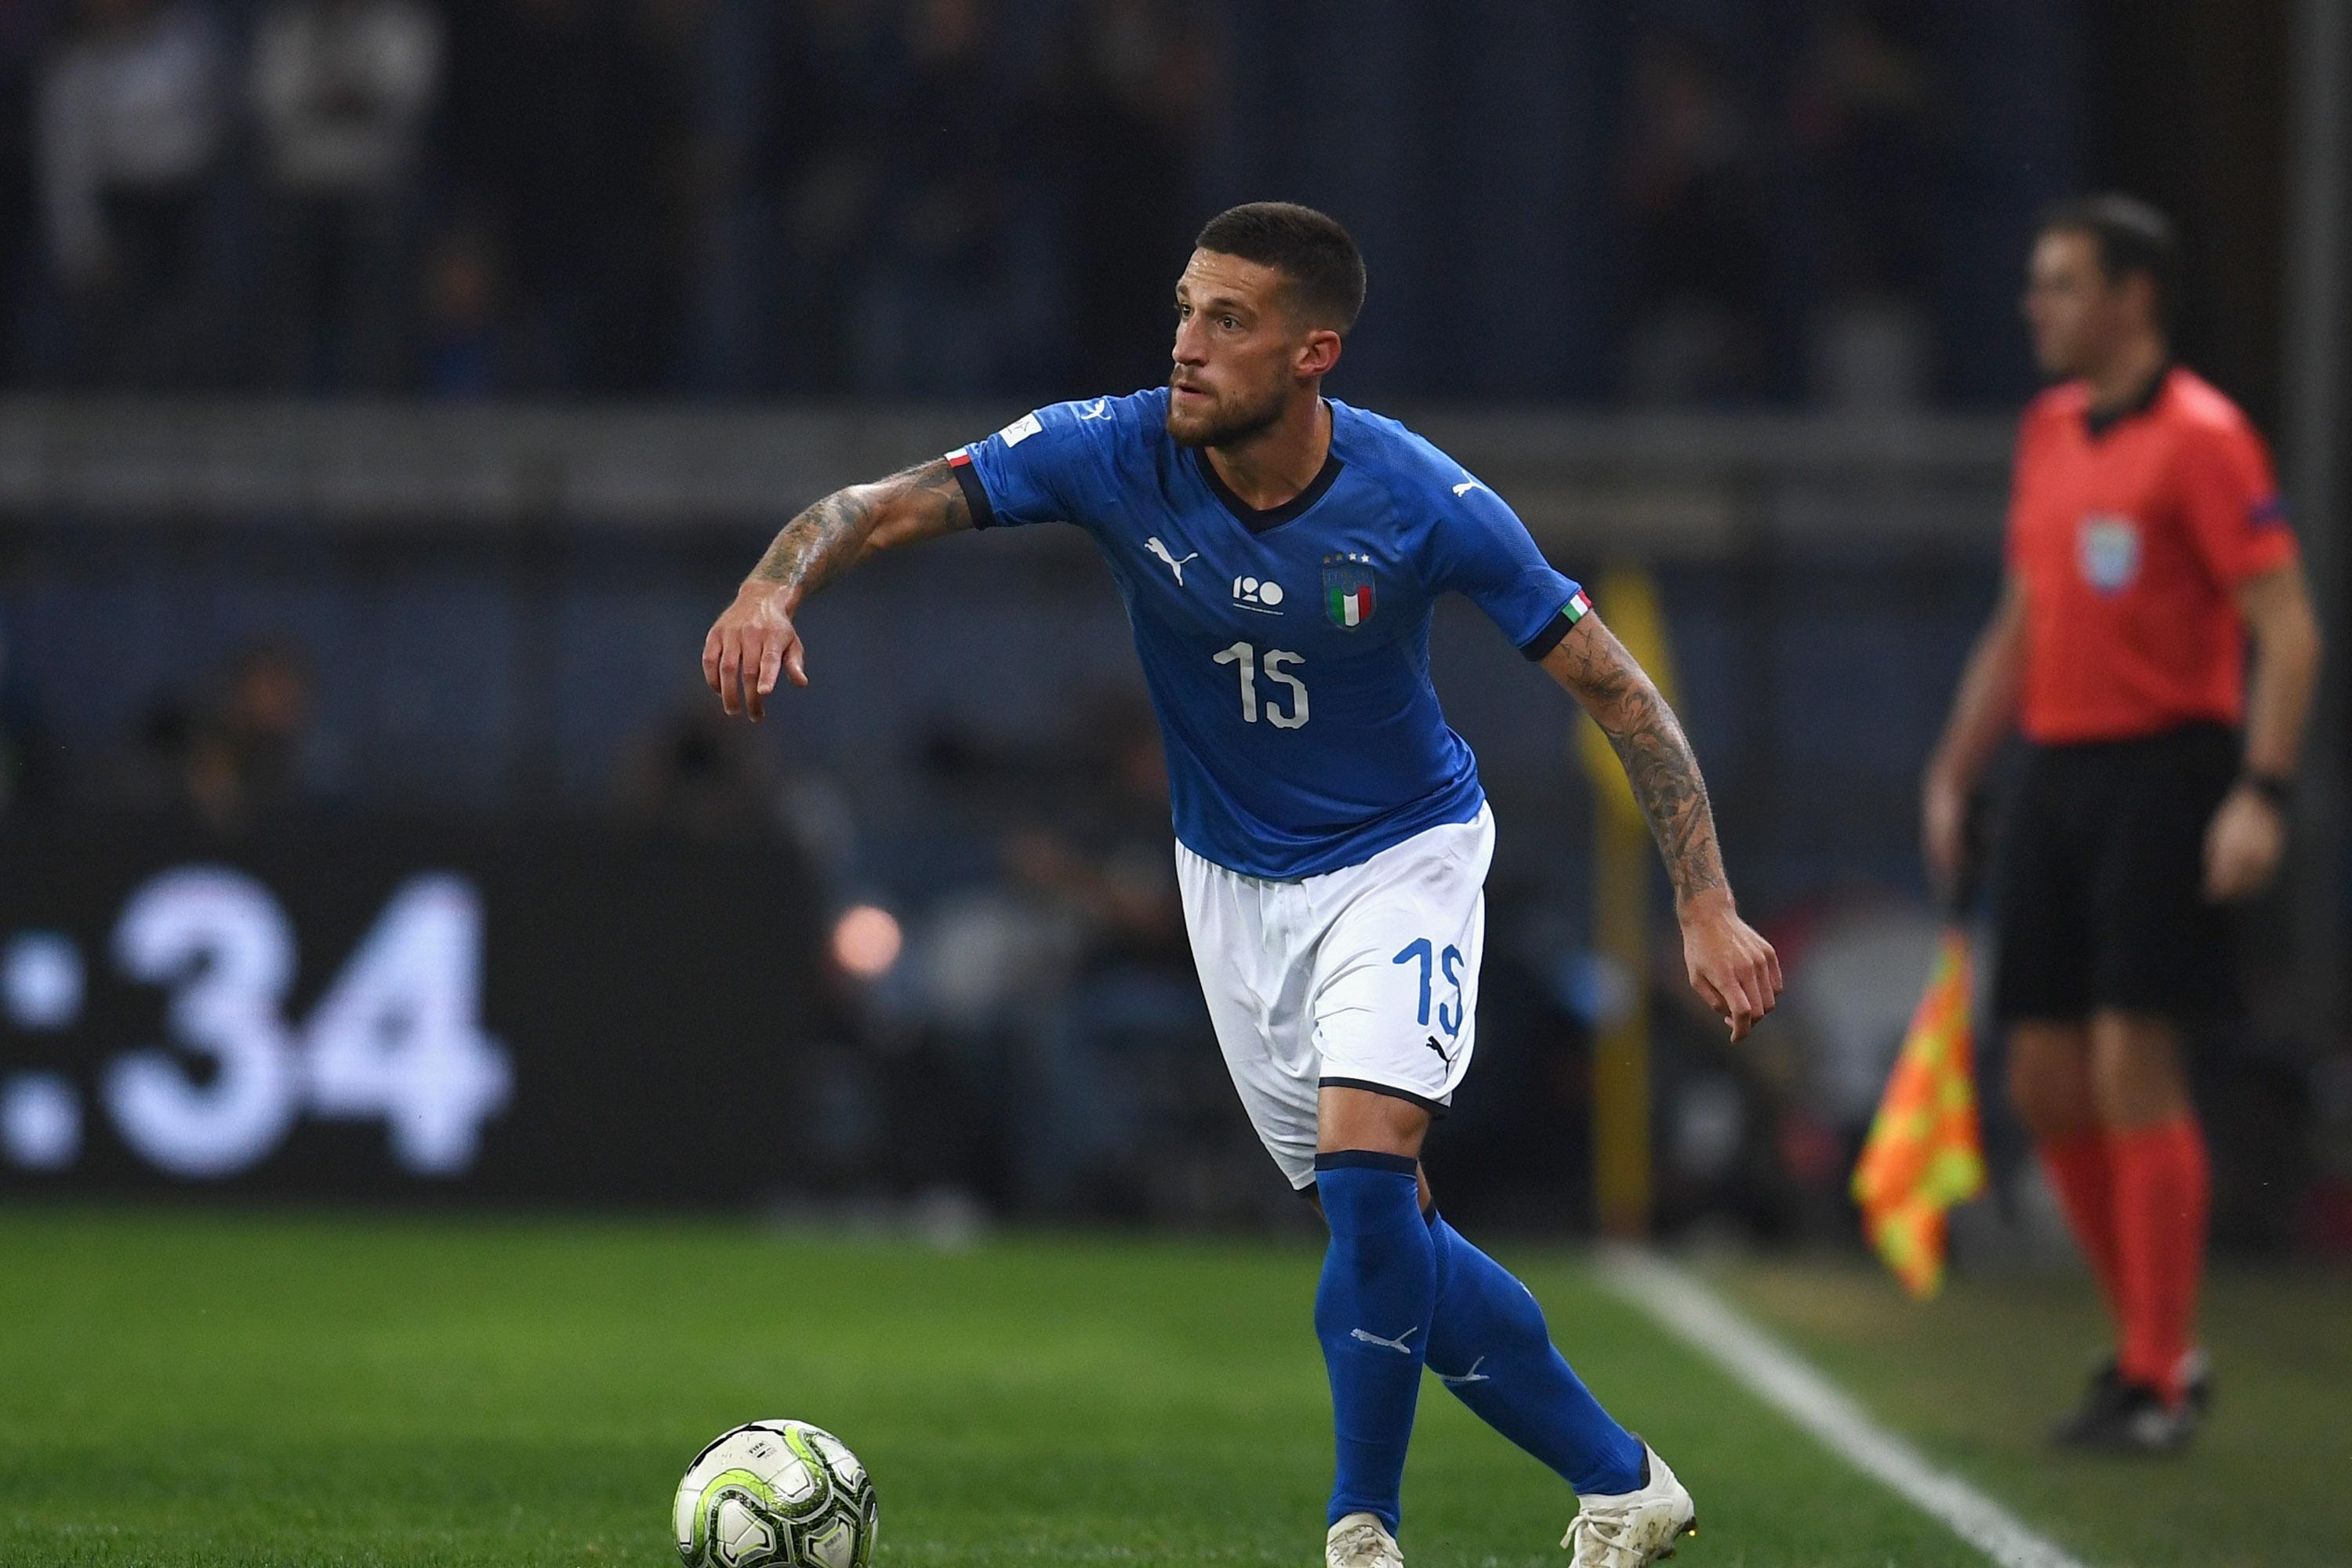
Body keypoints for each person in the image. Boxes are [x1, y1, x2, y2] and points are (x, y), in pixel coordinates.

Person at [702, 202, 1781, 1568]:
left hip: (1404, 857)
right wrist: (769, 587)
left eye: (1229, 321)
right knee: (1395, 1242)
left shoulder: (1423, 502)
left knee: (1371, 1171)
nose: (1187, 348)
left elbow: (1620, 693)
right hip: (1232, 887)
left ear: (1313, 352)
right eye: (1183, 310)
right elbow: (876, 504)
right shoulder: (1112, 450)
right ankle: (1621, 1482)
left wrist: (1703, 900)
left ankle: (1360, 1532)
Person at [1922, 196, 2323, 1454]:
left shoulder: (2205, 439)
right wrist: (1956, 769)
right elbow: (2025, 617)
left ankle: (2158, 1372)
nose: (2037, 305)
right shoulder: (2049, 430)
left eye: (2062, 285)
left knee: (2129, 1061)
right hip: (2057, 770)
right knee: (2042, 1077)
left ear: (2133, 300)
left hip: (2169, 770)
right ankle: (2152, 1347)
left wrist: (2261, 791)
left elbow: (2290, 627)